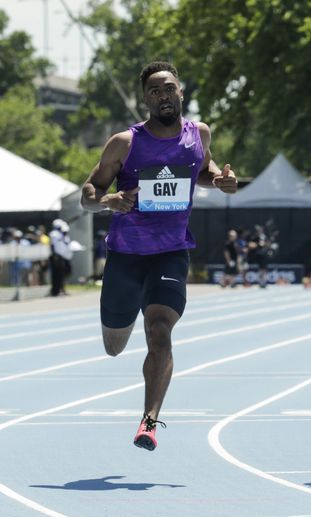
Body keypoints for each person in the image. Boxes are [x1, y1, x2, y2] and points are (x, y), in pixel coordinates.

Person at [80, 61, 237, 451]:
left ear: (181, 92)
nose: (163, 96)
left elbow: (200, 169)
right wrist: (109, 201)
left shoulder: (198, 133)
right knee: (114, 345)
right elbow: (88, 194)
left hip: (171, 251)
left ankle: (149, 421)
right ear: (144, 99)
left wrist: (219, 179)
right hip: (126, 255)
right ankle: (125, 313)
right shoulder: (125, 143)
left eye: (168, 88)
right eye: (154, 91)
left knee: (160, 332)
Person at [49, 219, 73, 296]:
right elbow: (53, 245)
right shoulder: (54, 234)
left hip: (64, 257)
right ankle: (56, 291)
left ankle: (62, 289)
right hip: (56, 257)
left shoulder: (64, 235)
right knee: (57, 274)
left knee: (64, 273)